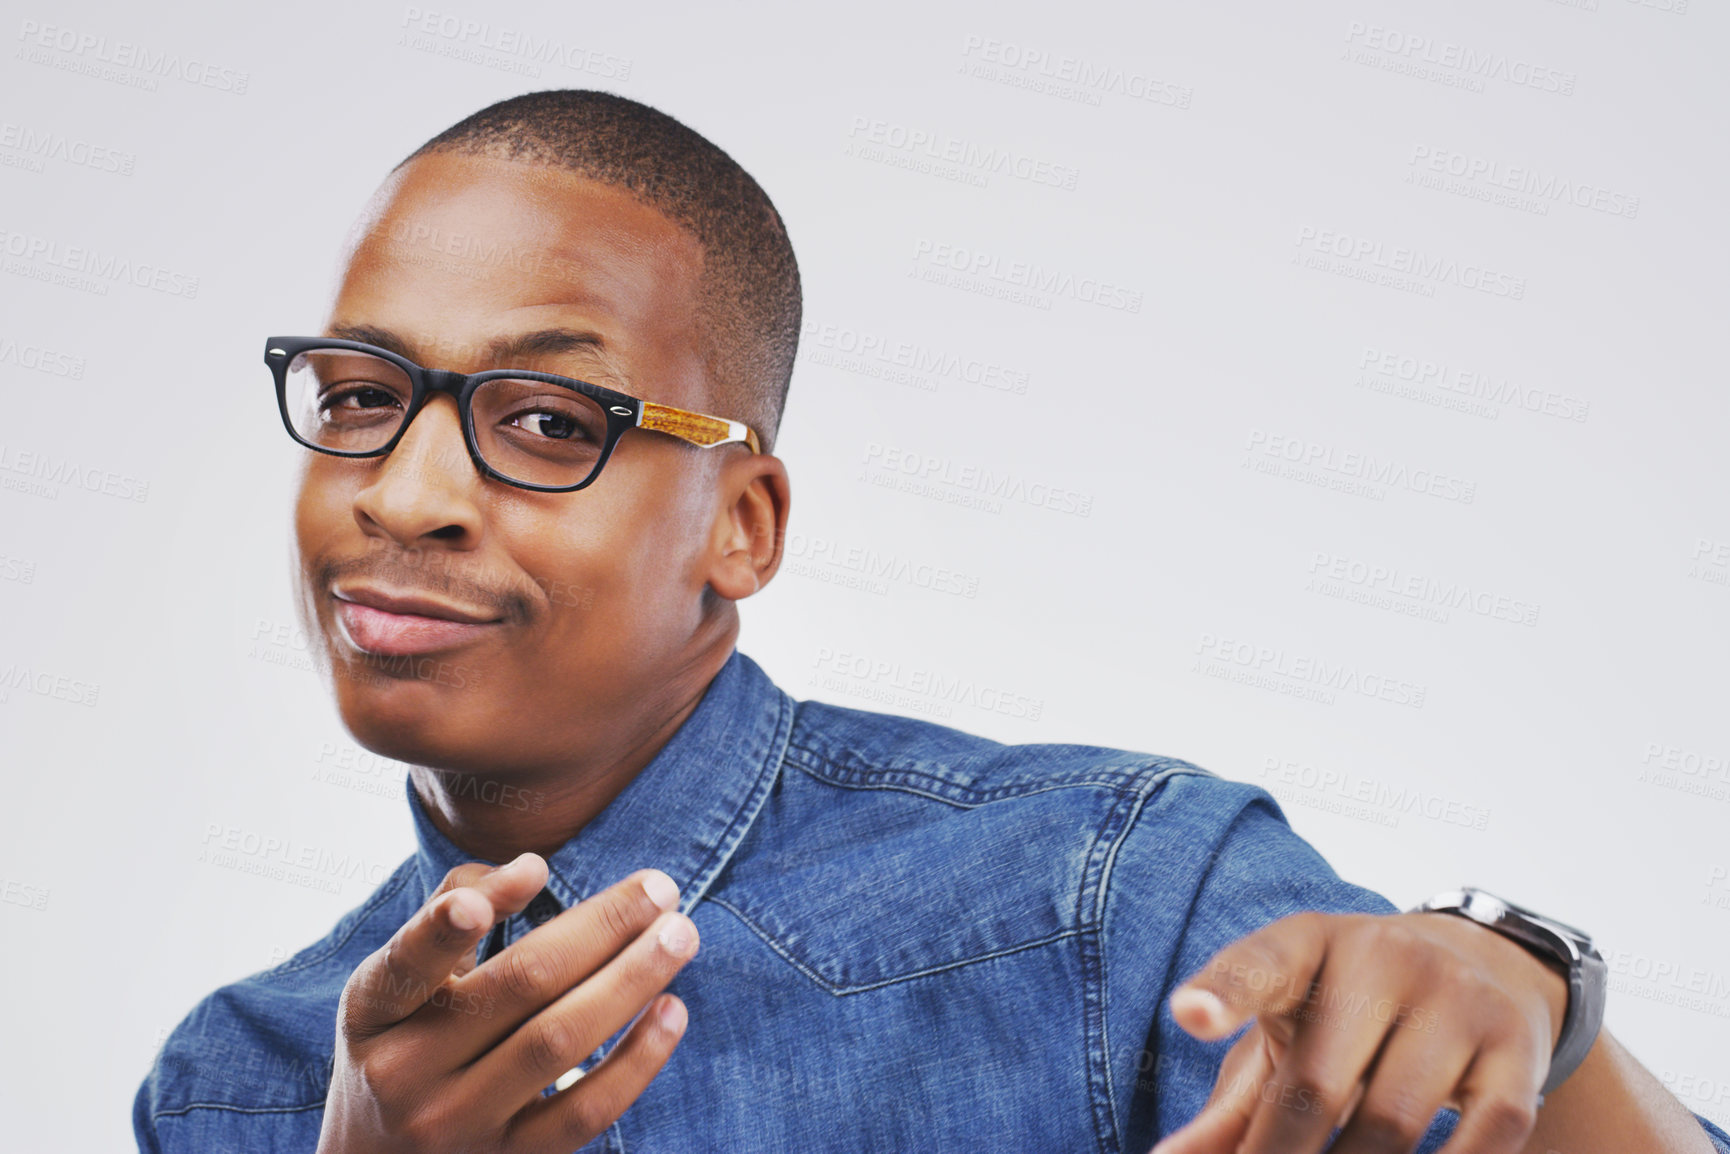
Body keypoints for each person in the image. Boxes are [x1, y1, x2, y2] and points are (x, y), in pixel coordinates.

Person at [134, 90, 1730, 1154]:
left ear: (742, 524)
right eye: (358, 396)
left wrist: (1535, 1000)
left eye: (548, 420)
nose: (402, 492)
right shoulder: (237, 1083)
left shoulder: (1113, 898)